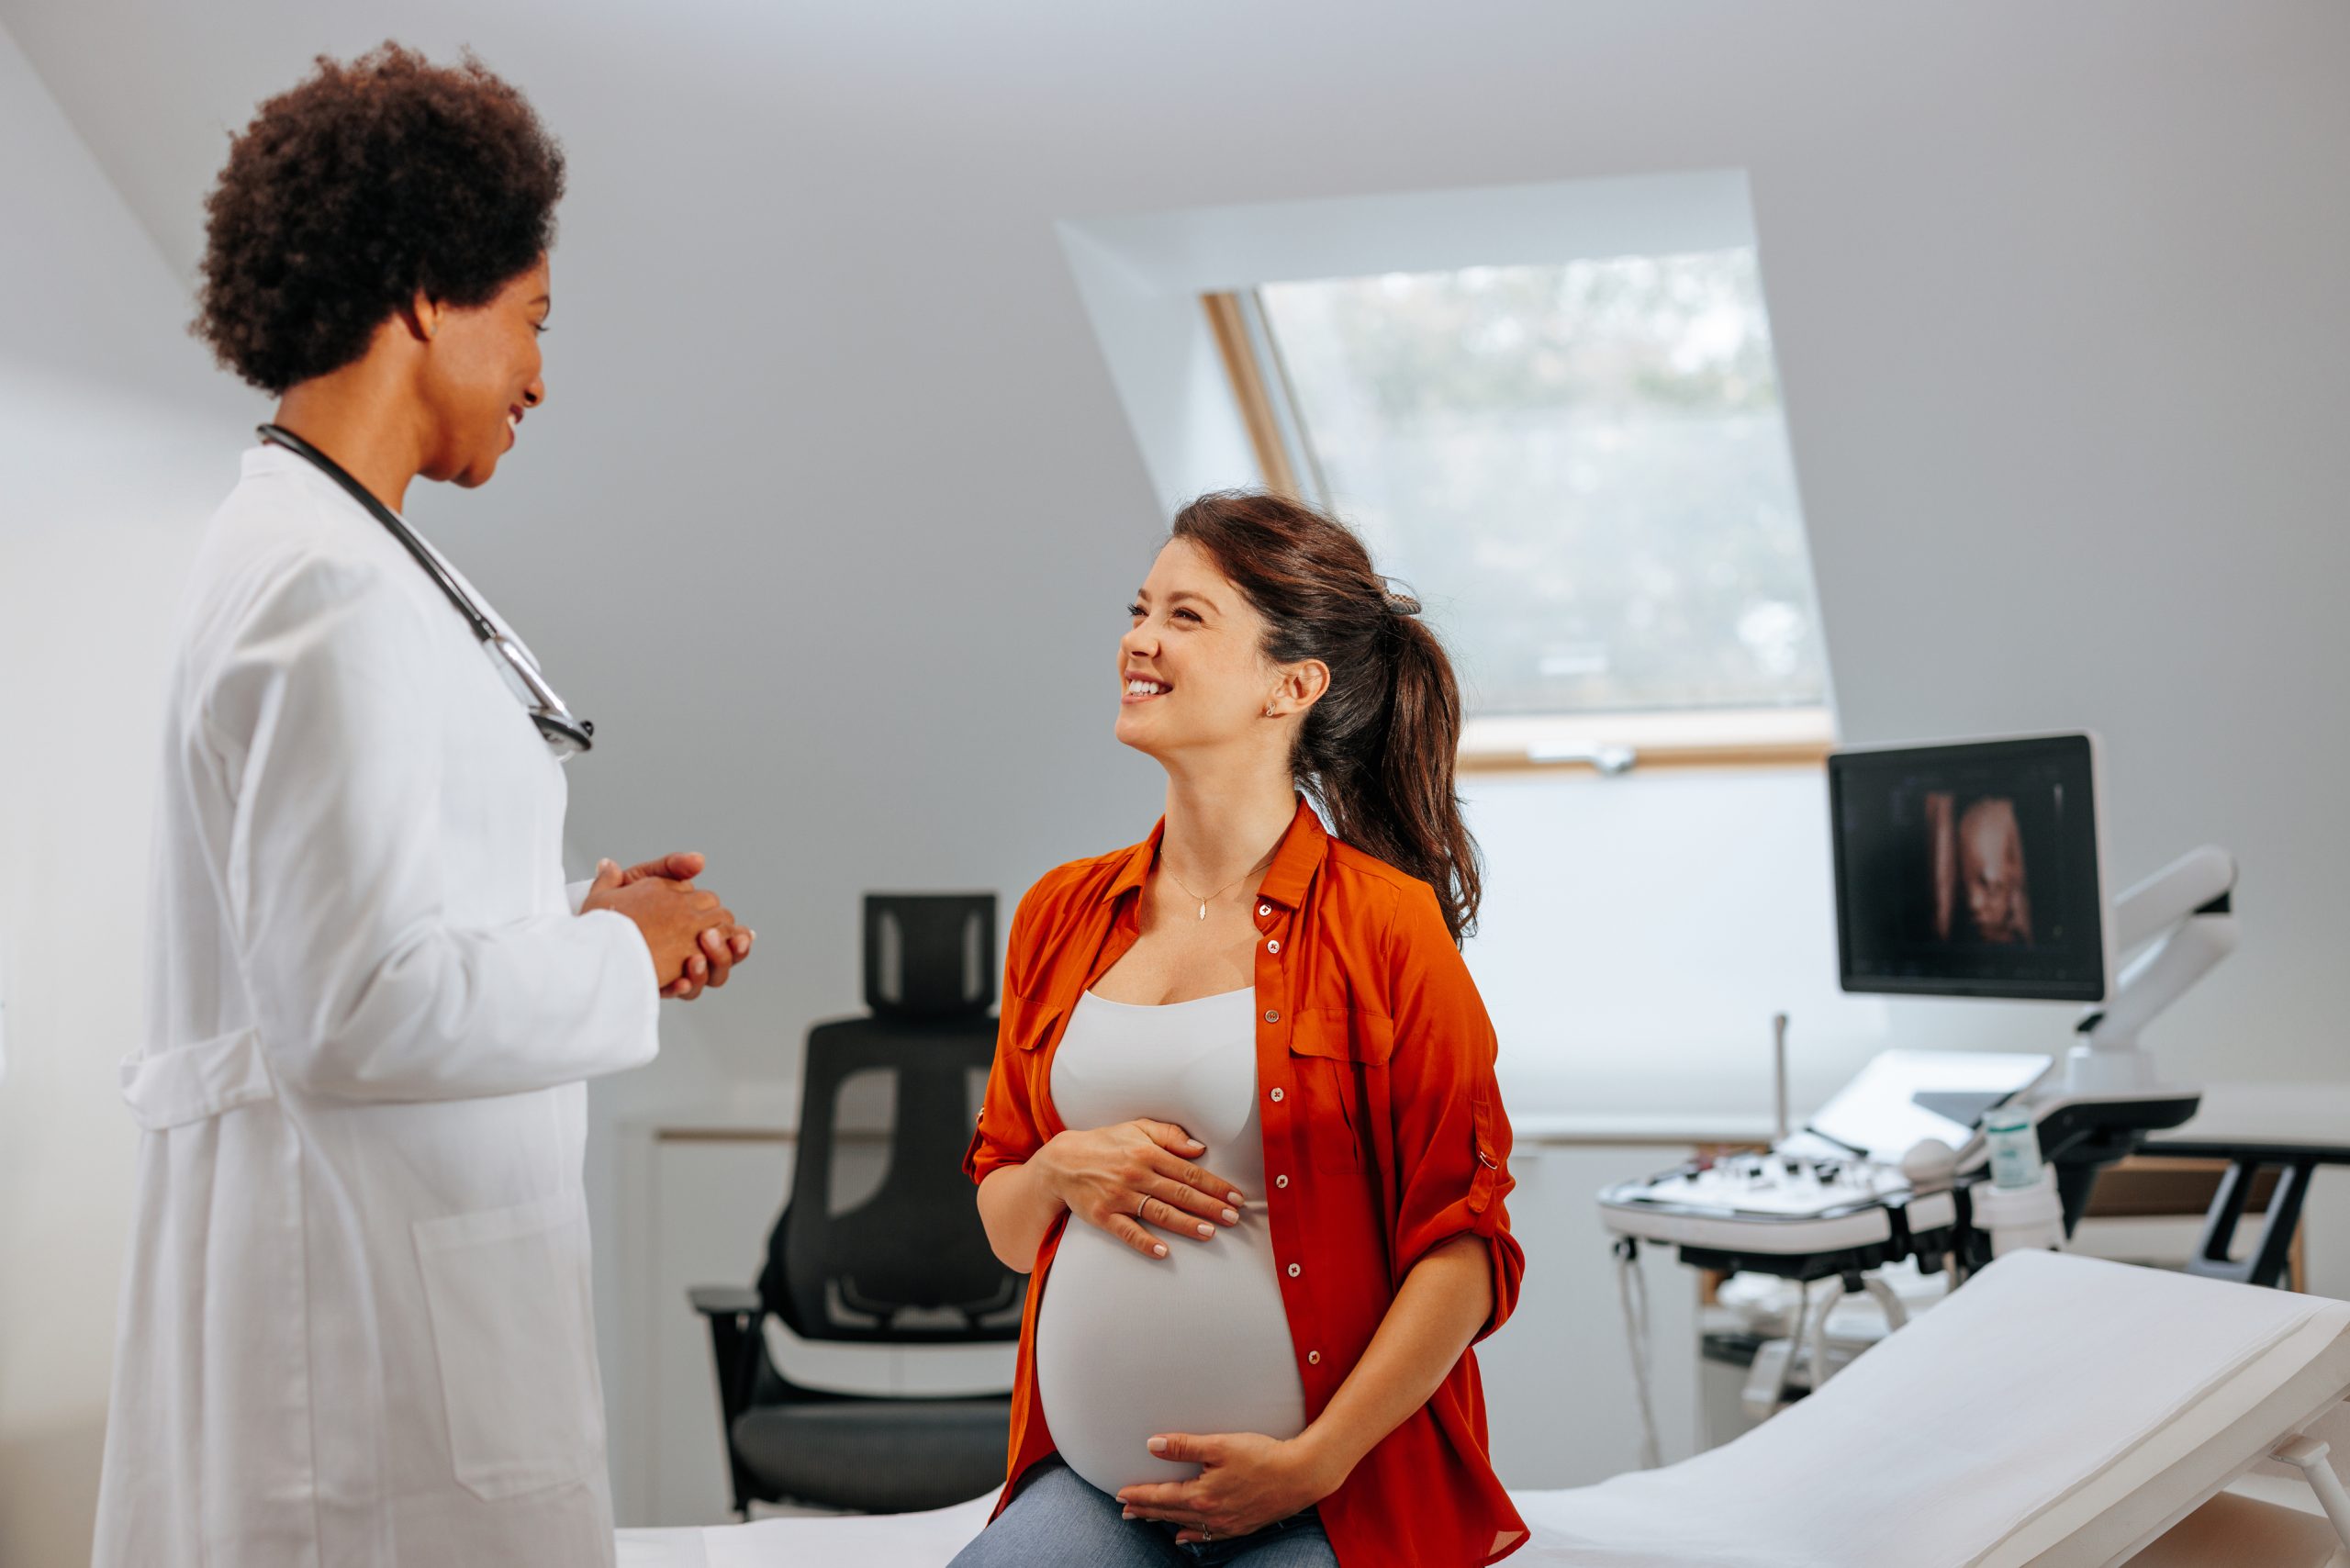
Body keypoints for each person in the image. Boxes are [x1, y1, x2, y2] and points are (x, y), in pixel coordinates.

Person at [94, 45, 752, 1568]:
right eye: (531, 319)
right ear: (421, 298)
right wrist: (622, 954)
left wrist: (573, 913)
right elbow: (348, 1008)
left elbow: (361, 927)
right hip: (355, 1356)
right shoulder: (319, 587)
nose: (540, 375)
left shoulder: (334, 555)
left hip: (396, 1286)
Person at [953, 491, 1528, 1568]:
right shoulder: (1059, 912)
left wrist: (1314, 1461)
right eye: (1139, 610)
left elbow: (1462, 1246)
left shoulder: (1386, 925)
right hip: (1102, 1493)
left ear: (1291, 685)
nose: (1140, 639)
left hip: (1325, 1500)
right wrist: (1060, 1169)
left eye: (1185, 616)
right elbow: (1005, 1221)